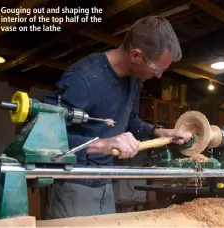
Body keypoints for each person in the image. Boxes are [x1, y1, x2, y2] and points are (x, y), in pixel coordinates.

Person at [43, 16, 193, 219]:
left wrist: (160, 132)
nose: (159, 77)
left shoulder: (133, 81)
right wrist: (102, 144)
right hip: (74, 184)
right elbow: (46, 135)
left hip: (106, 182)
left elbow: (130, 120)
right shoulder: (84, 77)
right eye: (157, 69)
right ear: (135, 56)